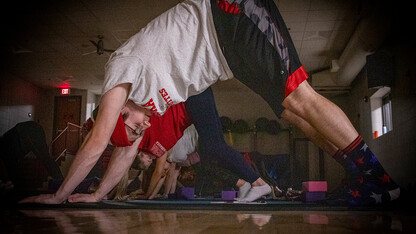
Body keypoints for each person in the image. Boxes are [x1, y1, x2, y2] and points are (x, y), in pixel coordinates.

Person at [20, 0, 399, 206]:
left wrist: (59, 195)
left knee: (300, 95)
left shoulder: (122, 68)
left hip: (228, 16)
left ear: (119, 108)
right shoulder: (141, 103)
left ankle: (378, 179)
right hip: (230, 55)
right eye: (137, 133)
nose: (142, 130)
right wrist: (97, 195)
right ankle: (358, 176)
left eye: (134, 127)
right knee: (291, 112)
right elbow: (121, 152)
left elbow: (99, 141)